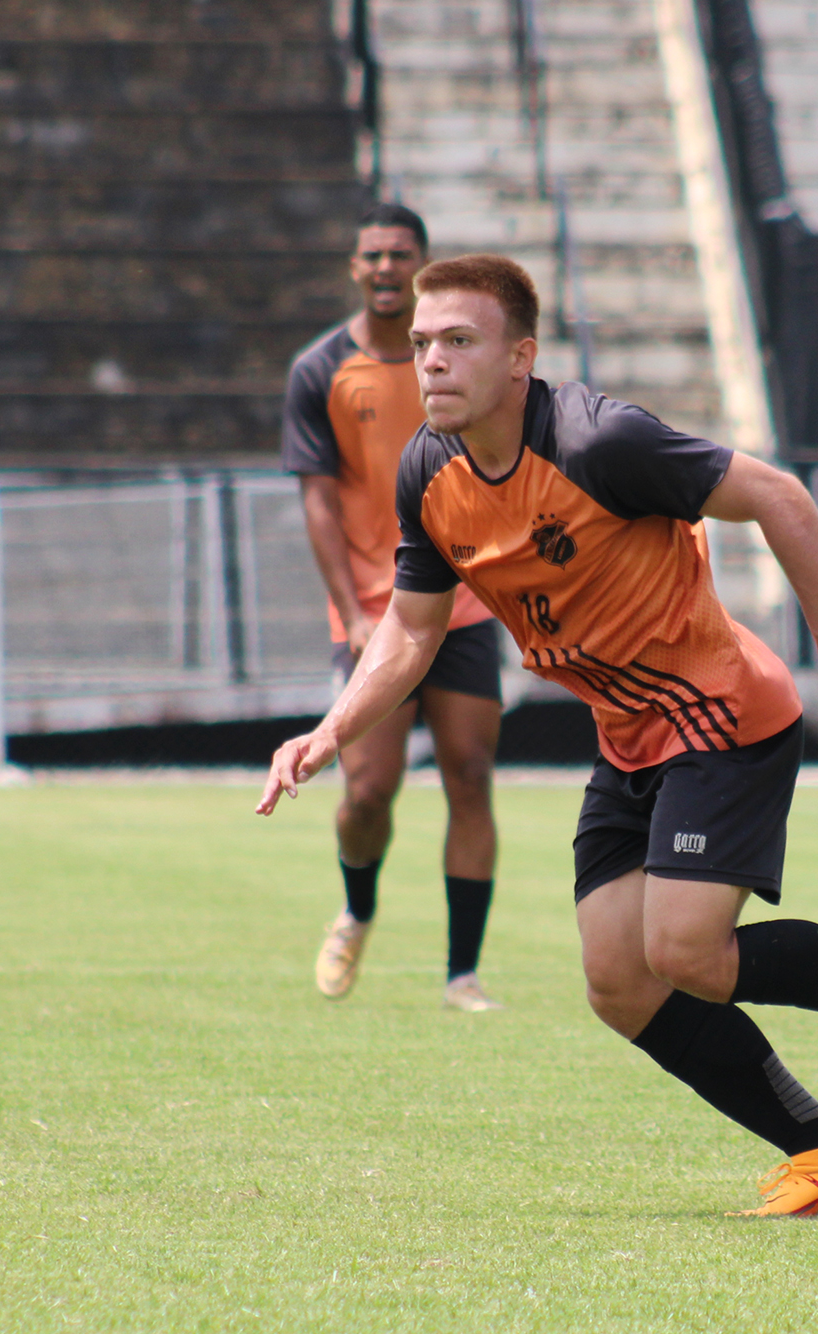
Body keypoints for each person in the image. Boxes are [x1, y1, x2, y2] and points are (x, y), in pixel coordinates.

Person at [257, 254, 818, 1216]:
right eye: (424, 343)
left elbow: (781, 499)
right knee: (618, 982)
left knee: (685, 953)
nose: (431, 362)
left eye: (459, 342)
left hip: (719, 716)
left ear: (521, 358)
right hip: (627, 734)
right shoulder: (428, 471)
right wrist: (331, 728)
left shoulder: (602, 442)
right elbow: (414, 627)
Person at [280, 204, 508, 1013]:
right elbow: (317, 501)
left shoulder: (457, 363)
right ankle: (359, 908)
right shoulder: (321, 371)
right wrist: (352, 610)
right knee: (367, 792)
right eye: (371, 254)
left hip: (471, 606)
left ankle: (462, 974)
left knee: (470, 776)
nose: (384, 268)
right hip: (379, 611)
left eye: (399, 255)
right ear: (353, 265)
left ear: (422, 263)